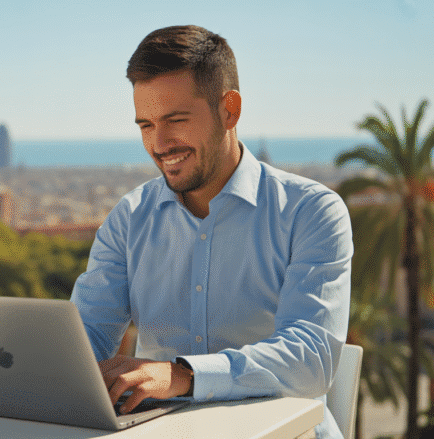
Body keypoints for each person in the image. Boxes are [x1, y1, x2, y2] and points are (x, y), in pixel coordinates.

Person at [69, 25, 352, 439]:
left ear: (230, 110)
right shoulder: (129, 218)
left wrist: (182, 375)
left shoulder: (311, 212)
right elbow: (86, 336)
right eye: (145, 125)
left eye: (175, 120)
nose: (159, 143)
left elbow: (310, 358)